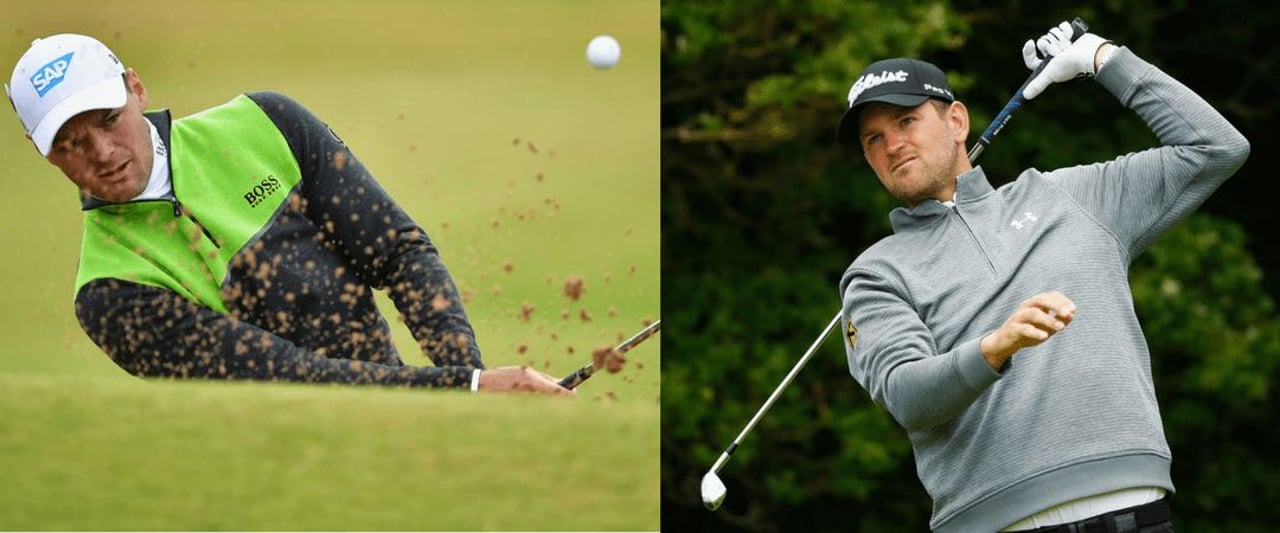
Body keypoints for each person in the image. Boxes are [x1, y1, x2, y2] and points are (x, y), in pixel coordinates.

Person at [834, 22, 1248, 532]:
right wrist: (995, 346)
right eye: (874, 138)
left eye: (906, 121)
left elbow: (1215, 148)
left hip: (1134, 507)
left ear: (957, 121)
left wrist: (1102, 58)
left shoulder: (1070, 196)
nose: (892, 144)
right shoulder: (875, 274)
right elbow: (908, 396)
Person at [7, 33, 573, 396]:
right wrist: (465, 390)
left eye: (107, 119)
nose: (102, 154)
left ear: (136, 88)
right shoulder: (108, 289)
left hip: (403, 416)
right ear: (44, 155)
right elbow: (282, 376)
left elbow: (398, 251)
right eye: (69, 145)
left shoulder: (264, 123)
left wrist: (464, 368)